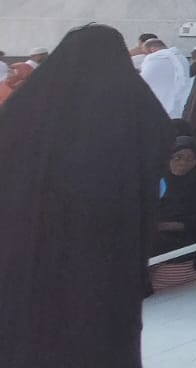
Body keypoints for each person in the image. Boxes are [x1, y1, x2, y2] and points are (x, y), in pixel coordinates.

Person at [0, 24, 173, 368]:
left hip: (29, 242)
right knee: (96, 324)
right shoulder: (134, 103)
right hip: (106, 246)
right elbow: (162, 145)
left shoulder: (28, 105)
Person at [151, 138, 196, 264]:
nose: (183, 163)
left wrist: (168, 226)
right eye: (178, 157)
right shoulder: (157, 178)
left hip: (189, 240)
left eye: (190, 159)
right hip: (156, 234)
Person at [140, 38, 192, 119]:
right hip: (179, 101)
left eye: (146, 52)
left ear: (153, 49)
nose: (146, 55)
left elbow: (143, 81)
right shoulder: (182, 58)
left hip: (159, 101)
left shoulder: (155, 60)